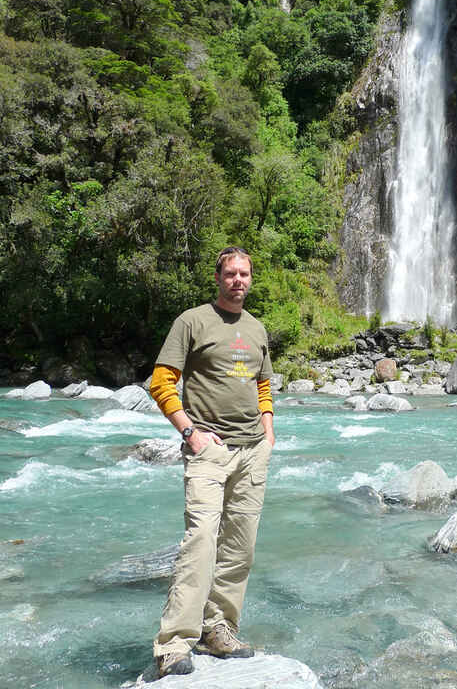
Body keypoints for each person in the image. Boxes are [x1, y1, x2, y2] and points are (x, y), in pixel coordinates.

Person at [149, 246, 275, 679]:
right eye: (231, 274)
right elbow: (161, 382)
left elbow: (263, 386)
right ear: (218, 279)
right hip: (210, 450)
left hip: (252, 449)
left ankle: (217, 629)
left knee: (240, 547)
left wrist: (269, 430)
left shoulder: (257, 329)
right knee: (200, 542)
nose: (238, 280)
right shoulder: (192, 321)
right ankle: (172, 644)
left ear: (251, 279)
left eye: (245, 274)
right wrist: (189, 432)